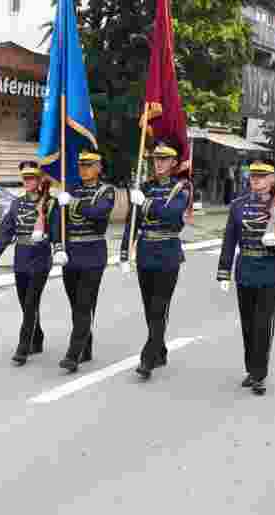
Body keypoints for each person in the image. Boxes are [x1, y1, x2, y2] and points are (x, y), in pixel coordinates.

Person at [216, 160, 275, 395]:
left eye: (262, 176)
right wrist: (224, 271)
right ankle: (251, 368)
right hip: (246, 269)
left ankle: (259, 373)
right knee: (248, 325)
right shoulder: (238, 205)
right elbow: (229, 239)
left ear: (272, 180)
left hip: (269, 272)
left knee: (263, 325)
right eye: (253, 176)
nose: (256, 180)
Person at [120, 140, 189, 381]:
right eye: (156, 160)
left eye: (164, 160)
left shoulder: (181, 189)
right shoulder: (145, 188)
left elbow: (172, 216)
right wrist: (124, 254)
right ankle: (159, 350)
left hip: (168, 254)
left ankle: (147, 358)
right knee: (150, 308)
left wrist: (145, 203)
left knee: (159, 308)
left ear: (173, 163)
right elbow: (133, 223)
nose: (158, 163)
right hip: (146, 253)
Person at [50, 151, 116, 374]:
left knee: (84, 304)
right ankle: (85, 347)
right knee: (76, 305)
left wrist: (73, 204)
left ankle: (73, 354)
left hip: (93, 253)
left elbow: (98, 212)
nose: (83, 169)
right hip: (71, 255)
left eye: (88, 165)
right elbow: (57, 220)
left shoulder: (106, 191)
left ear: (98, 167)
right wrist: (58, 246)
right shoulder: (72, 189)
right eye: (81, 165)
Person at [0, 160, 54, 366]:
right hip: (22, 257)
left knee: (31, 302)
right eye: (25, 178)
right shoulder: (17, 203)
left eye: (31, 178)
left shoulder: (49, 202)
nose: (27, 181)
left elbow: (57, 229)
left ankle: (23, 348)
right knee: (26, 303)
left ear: (39, 180)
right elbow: (7, 229)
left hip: (40, 256)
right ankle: (38, 337)